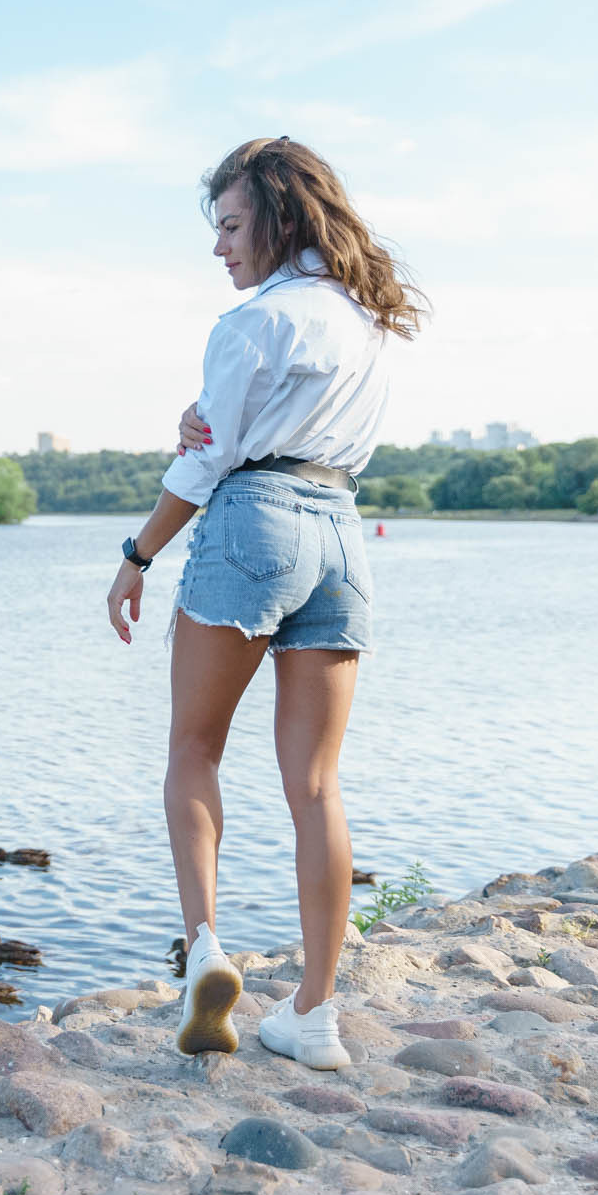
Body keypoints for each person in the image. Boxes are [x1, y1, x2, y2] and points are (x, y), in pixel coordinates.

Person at [104, 136, 423, 1069]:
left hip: (255, 523)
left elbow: (208, 459)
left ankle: (205, 951)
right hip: (339, 535)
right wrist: (215, 424)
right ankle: (314, 1015)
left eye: (233, 226)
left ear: (280, 219)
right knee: (316, 783)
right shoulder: (366, 325)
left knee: (193, 751)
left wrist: (138, 553)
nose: (220, 249)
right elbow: (247, 430)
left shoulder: (254, 322)